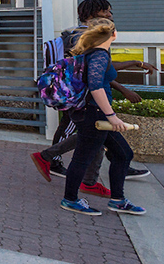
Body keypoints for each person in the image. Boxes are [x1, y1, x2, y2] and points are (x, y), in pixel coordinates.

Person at [31, 0, 153, 192]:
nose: (111, 15)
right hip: (87, 99)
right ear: (92, 14)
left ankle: (96, 175)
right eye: (106, 12)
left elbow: (99, 68)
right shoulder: (83, 37)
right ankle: (54, 162)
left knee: (96, 136)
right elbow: (94, 71)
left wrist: (135, 64)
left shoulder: (87, 35)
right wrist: (123, 88)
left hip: (91, 98)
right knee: (88, 134)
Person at [59, 19, 145, 216]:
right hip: (95, 115)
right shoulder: (99, 55)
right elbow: (96, 86)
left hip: (93, 113)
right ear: (113, 34)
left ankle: (117, 200)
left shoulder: (95, 53)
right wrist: (112, 116)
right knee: (83, 157)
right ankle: (70, 199)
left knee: (123, 154)